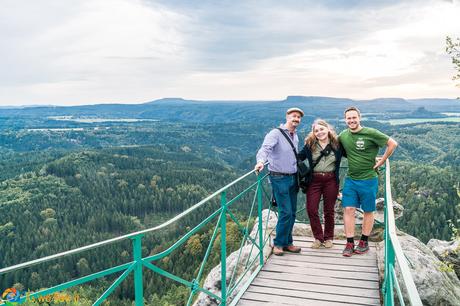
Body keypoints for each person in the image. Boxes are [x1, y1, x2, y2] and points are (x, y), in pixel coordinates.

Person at [339, 106, 398, 257]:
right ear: (345, 120)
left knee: (368, 210)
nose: (351, 120)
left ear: (359, 118)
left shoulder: (370, 133)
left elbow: (392, 143)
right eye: (348, 118)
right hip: (351, 179)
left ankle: (364, 242)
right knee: (348, 209)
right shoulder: (343, 135)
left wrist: (382, 161)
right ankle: (350, 242)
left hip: (369, 179)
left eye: (354, 117)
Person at [255, 107, 304, 256]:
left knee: (293, 212)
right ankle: (278, 243)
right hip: (279, 177)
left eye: (299, 117)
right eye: (293, 116)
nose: (296, 119)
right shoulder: (275, 133)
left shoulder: (295, 135)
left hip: (293, 177)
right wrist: (260, 162)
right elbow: (265, 149)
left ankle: (288, 242)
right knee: (286, 212)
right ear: (287, 117)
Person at [298, 119, 343, 249]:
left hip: (331, 180)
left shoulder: (337, 145)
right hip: (314, 180)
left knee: (329, 210)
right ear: (313, 133)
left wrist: (371, 158)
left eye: (321, 129)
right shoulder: (310, 145)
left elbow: (352, 154)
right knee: (311, 209)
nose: (319, 132)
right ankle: (318, 237)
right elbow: (298, 157)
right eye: (316, 131)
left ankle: (328, 238)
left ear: (328, 129)